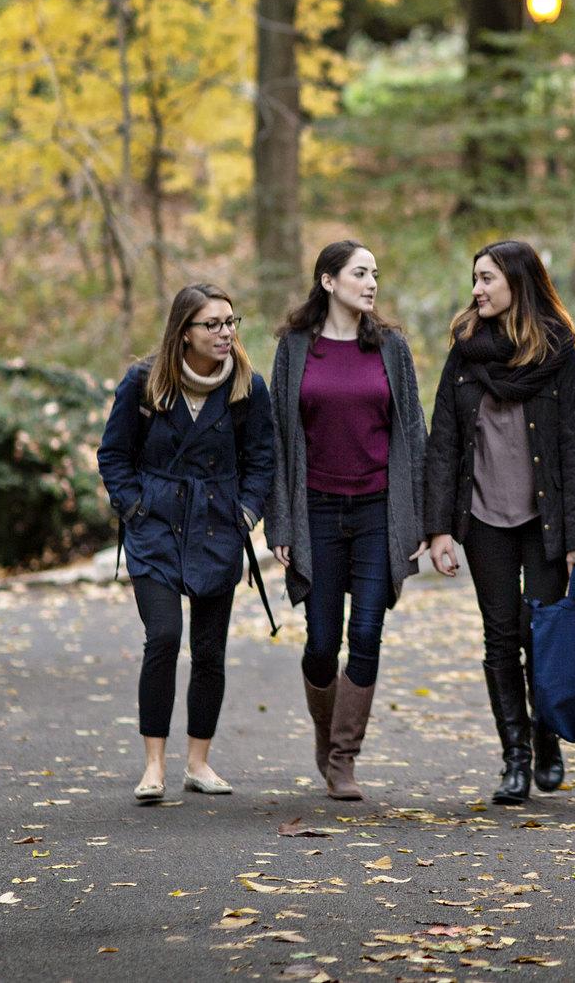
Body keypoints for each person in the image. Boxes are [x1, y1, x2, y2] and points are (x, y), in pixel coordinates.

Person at [423, 240, 575, 805]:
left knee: (540, 635)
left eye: (486, 279)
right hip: (483, 518)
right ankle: (516, 758)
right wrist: (439, 529)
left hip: (544, 519)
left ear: (517, 284)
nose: (476, 290)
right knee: (501, 635)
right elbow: (443, 443)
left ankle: (548, 737)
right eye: (474, 278)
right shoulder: (465, 351)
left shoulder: (560, 356)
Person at [97, 282, 274, 804]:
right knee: (163, 637)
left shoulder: (247, 386)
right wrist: (132, 507)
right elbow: (114, 454)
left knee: (210, 651)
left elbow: (262, 459)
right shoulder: (144, 383)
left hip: (219, 525)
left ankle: (199, 761)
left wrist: (246, 511)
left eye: (230, 322)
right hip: (155, 526)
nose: (225, 333)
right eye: (212, 324)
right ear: (184, 333)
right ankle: (154, 765)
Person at [264, 240, 428, 801]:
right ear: (329, 281)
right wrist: (279, 524)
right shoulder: (293, 350)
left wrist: (422, 521)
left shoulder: (390, 347)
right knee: (321, 642)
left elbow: (413, 431)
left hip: (379, 509)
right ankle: (325, 730)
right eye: (360, 273)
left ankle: (343, 759)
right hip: (317, 511)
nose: (371, 283)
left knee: (366, 633)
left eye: (375, 274)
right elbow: (279, 440)